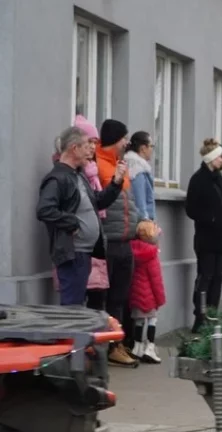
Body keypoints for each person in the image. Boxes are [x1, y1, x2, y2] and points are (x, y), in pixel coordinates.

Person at [37, 126, 124, 306]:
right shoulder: (58, 178)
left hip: (84, 253)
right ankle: (69, 335)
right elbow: (45, 209)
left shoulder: (78, 176)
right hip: (72, 254)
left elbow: (97, 202)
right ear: (74, 148)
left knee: (78, 306)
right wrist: (72, 223)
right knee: (72, 307)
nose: (91, 150)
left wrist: (116, 183)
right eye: (87, 145)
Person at [96, 119, 144, 366]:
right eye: (124, 138)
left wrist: (139, 227)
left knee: (121, 297)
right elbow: (101, 201)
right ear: (115, 139)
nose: (127, 142)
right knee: (104, 298)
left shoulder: (119, 165)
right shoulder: (98, 166)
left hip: (125, 240)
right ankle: (104, 347)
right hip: (108, 242)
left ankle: (118, 345)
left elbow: (129, 203)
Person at [185, 138, 222, 332]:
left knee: (218, 279)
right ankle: (200, 317)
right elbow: (191, 209)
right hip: (206, 240)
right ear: (212, 158)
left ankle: (213, 316)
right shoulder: (198, 180)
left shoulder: (218, 179)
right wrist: (212, 219)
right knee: (205, 278)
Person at [128, 220, 166, 363]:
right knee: (152, 320)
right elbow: (156, 280)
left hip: (136, 294)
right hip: (149, 296)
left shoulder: (132, 250)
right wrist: (160, 298)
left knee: (138, 321)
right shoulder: (152, 255)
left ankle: (137, 347)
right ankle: (150, 347)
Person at [124, 131, 156, 223]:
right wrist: (145, 219)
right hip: (141, 222)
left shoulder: (130, 164)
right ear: (143, 148)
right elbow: (139, 199)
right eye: (151, 146)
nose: (152, 150)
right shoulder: (138, 169)